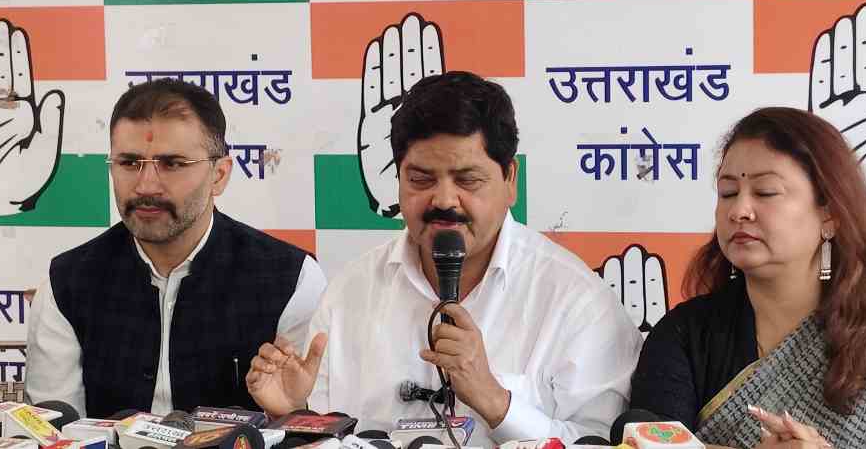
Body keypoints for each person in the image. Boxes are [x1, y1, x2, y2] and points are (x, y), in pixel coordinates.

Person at [244, 71, 643, 443]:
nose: (444, 200)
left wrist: (496, 402)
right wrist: (295, 414)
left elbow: (604, 443)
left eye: (467, 180)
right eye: (421, 180)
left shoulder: (577, 301)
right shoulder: (349, 293)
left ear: (510, 180)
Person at [630, 107, 866, 448]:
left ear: (829, 214)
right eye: (728, 193)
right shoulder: (685, 335)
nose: (739, 210)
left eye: (765, 192)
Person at [26, 79, 327, 417]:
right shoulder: (67, 282)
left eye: (172, 164)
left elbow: (313, 424)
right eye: (129, 163)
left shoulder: (291, 279)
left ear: (219, 175)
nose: (146, 185)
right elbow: (53, 430)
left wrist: (292, 412)